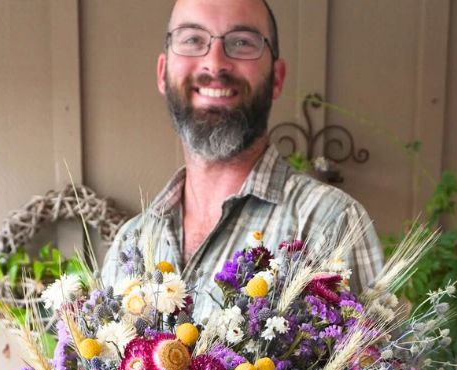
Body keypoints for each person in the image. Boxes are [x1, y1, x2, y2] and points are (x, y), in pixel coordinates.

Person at [100, 0, 383, 318]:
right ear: (163, 72)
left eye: (242, 43)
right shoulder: (132, 243)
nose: (215, 63)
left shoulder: (329, 224)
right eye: (192, 39)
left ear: (277, 78)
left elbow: (378, 363)